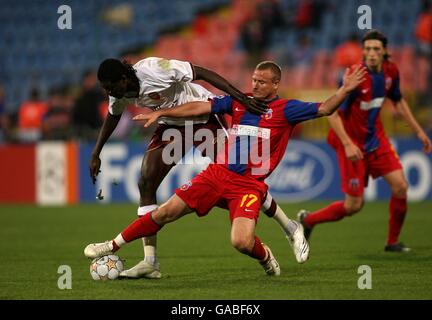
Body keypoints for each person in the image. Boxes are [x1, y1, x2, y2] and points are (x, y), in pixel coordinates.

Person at [84, 61, 366, 276]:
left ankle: (285, 232)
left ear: (276, 85)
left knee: (241, 221)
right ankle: (132, 254)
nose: (254, 86)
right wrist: (159, 114)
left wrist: (345, 89)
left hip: (231, 158)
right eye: (253, 80)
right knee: (155, 195)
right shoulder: (236, 102)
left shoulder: (285, 109)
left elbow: (326, 108)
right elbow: (194, 107)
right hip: (197, 149)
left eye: (261, 82)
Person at [297, 30, 432, 252]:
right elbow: (331, 112)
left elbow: (398, 101)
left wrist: (418, 131)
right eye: (367, 49)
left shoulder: (391, 71)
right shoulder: (353, 76)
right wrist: (348, 144)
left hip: (375, 139)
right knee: (354, 205)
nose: (371, 53)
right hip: (350, 142)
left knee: (400, 186)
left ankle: (392, 242)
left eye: (376, 49)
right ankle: (308, 220)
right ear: (363, 51)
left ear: (385, 51)